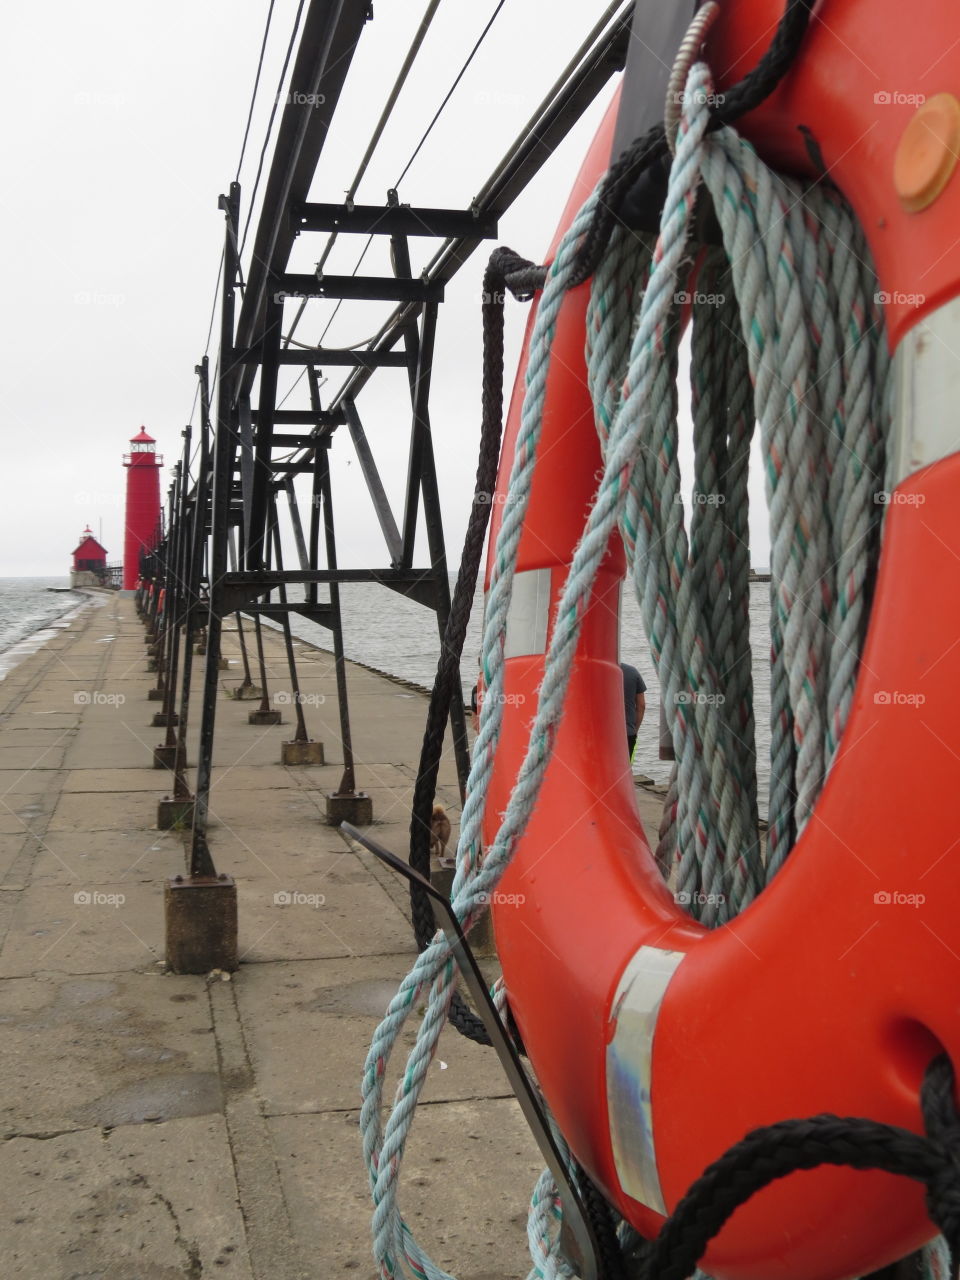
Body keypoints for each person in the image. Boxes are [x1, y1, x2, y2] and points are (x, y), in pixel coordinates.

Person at [620, 661, 647, 761]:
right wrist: (635, 730)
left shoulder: (592, 671)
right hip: (628, 732)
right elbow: (641, 705)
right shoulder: (632, 671)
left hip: (600, 734)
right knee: (626, 769)